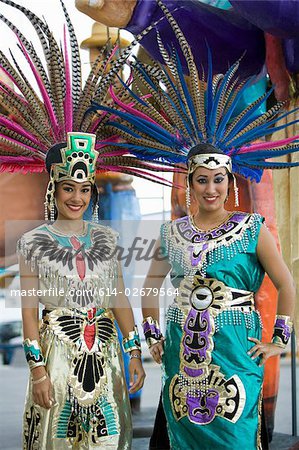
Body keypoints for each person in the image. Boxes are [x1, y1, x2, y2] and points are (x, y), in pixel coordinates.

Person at [89, 4, 298, 448]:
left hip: (237, 350)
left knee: (238, 436)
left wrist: (278, 339)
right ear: (191, 181)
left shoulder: (252, 226)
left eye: (217, 180)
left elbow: (284, 282)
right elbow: (147, 290)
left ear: (227, 182)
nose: (210, 188)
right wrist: (152, 339)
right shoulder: (173, 233)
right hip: (183, 353)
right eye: (202, 180)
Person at [0, 2, 177, 448]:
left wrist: (134, 350)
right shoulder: (35, 241)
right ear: (54, 192)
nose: (77, 197)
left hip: (107, 357)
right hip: (57, 356)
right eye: (68, 190)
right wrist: (37, 368)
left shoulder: (107, 237)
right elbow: (28, 311)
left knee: (107, 439)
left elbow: (118, 294)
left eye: (84, 190)